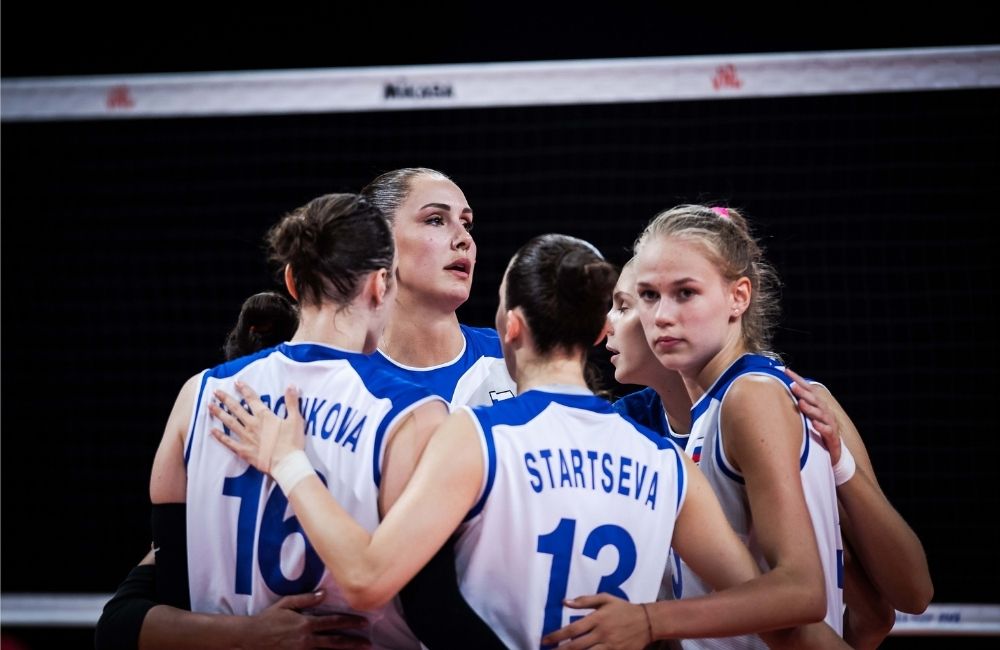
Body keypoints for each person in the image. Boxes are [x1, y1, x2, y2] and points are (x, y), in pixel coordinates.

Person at [211, 233, 836, 649]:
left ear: (509, 326)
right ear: (599, 332)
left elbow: (369, 577)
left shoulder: (477, 436)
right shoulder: (664, 461)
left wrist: (289, 461)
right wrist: (648, 624)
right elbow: (781, 603)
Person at [141, 192, 511, 649]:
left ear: (293, 282)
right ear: (381, 285)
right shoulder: (410, 415)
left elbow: (168, 601)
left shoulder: (198, 397)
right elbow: (430, 610)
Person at [605, 230, 931, 648]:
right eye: (648, 296)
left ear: (738, 297)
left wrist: (650, 621)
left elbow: (837, 596)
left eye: (684, 293)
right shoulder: (689, 410)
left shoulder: (757, 397)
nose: (663, 314)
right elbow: (866, 613)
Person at [95, 287, 361, 650]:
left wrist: (247, 633)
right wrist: (255, 634)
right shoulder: (367, 426)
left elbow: (122, 622)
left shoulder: (199, 402)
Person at [361, 167, 516, 407]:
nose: (464, 238)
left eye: (466, 223)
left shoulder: (516, 360)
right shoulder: (342, 378)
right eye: (435, 220)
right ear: (378, 242)